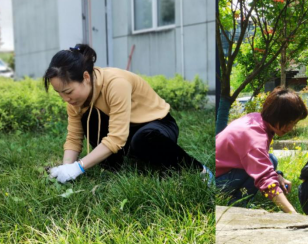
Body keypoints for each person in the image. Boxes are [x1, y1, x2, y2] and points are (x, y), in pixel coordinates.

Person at [43, 44, 212, 183]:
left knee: (144, 139)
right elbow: (74, 138)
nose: (65, 99)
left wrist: (77, 167)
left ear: (86, 77)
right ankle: (114, 165)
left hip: (156, 126)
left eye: (68, 91)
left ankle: (200, 171)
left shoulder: (116, 84)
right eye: (60, 93)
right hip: (126, 130)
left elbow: (116, 138)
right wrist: (66, 168)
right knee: (89, 118)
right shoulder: (75, 100)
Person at [216, 87, 308, 213]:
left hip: (221, 173)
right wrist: (292, 213)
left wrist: (277, 176)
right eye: (289, 122)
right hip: (215, 183)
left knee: (271, 160)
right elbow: (264, 178)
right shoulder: (254, 136)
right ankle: (234, 206)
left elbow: (261, 160)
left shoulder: (257, 119)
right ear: (277, 116)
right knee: (261, 169)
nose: (291, 128)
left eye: (294, 123)